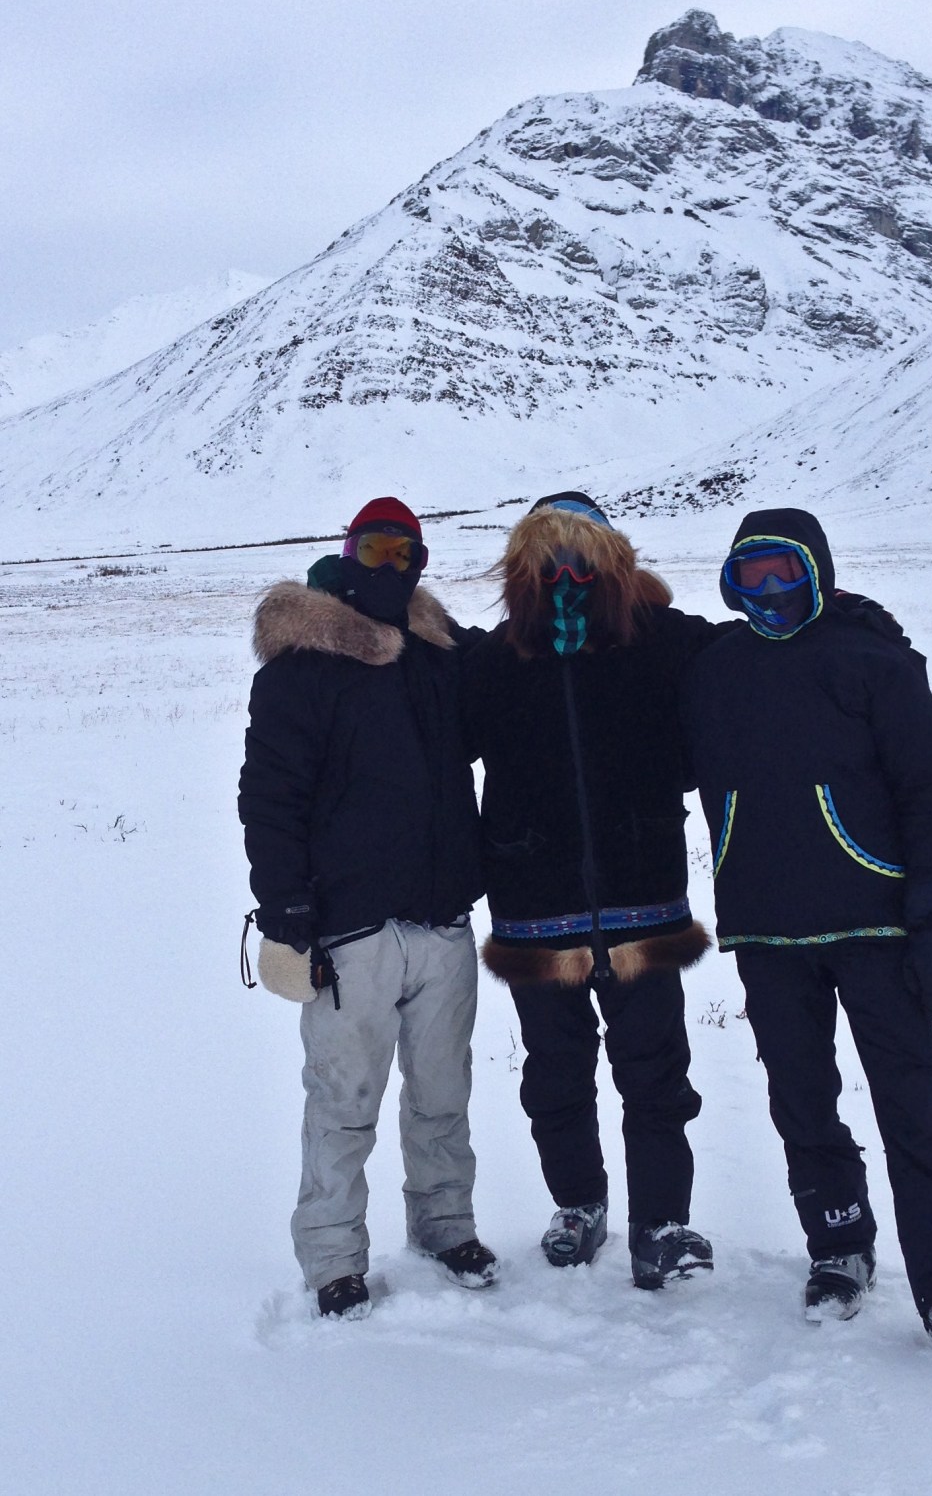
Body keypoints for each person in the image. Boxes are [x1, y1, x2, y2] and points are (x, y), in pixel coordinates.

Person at [682, 506, 932, 1348]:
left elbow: (929, 791)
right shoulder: (713, 669)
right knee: (802, 1103)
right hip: (766, 933)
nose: (770, 590)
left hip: (876, 925)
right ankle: (839, 1247)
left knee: (911, 1105)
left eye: (785, 571)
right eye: (752, 574)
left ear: (818, 571)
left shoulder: (873, 659)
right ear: (732, 583)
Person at [238, 497, 498, 1318]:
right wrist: (284, 909)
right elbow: (270, 797)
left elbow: (519, 684)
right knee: (342, 1103)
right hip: (349, 933)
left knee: (442, 1094)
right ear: (347, 555)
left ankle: (446, 1225)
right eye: (374, 547)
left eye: (405, 552)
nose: (390, 563)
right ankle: (332, 1256)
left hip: (443, 919)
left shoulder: (439, 661)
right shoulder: (299, 672)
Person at [462, 493, 717, 1289]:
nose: (564, 577)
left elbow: (760, 665)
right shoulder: (493, 662)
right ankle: (579, 1203)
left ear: (613, 567)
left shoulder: (663, 646)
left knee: (656, 1073)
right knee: (555, 1072)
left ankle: (663, 1223)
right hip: (535, 909)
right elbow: (413, 713)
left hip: (645, 904)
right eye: (547, 563)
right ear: (521, 574)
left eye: (582, 561)